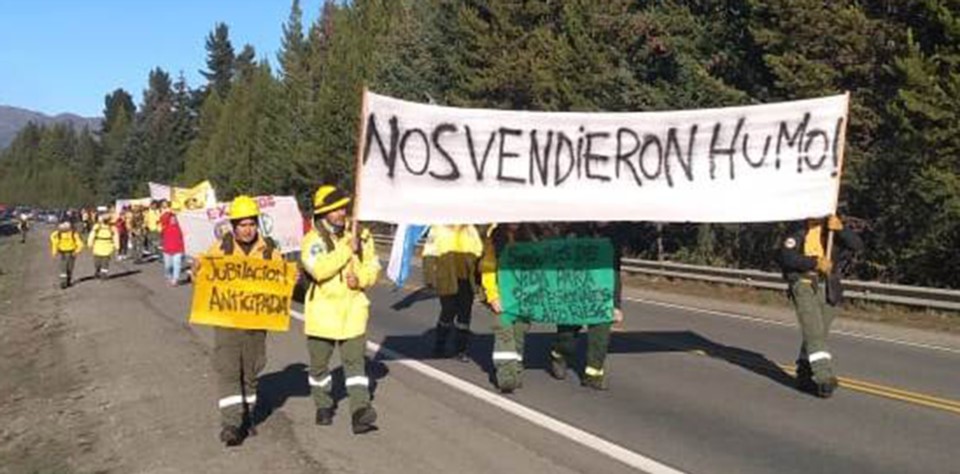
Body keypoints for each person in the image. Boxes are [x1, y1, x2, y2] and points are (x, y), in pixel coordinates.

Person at [197, 195, 282, 447]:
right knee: (228, 369)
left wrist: (291, 277)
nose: (248, 229)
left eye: (252, 224)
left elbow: (280, 284)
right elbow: (204, 280)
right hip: (227, 321)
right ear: (233, 226)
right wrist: (197, 271)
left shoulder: (269, 252)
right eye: (242, 224)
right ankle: (231, 424)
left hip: (256, 323)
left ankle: (248, 414)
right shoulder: (219, 249)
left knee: (252, 371)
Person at [300, 185, 381, 434]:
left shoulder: (361, 234)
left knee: (356, 365)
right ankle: (323, 404)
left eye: (342, 208)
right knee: (319, 367)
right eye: (334, 209)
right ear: (323, 212)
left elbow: (373, 266)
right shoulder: (312, 240)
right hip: (323, 314)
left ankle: (360, 411)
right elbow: (320, 269)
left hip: (353, 311)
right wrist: (347, 249)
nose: (340, 213)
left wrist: (363, 279)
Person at [778, 215, 863, 398]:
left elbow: (857, 245)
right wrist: (815, 262)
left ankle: (804, 375)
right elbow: (787, 257)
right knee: (814, 330)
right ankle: (824, 377)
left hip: (828, 286)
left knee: (818, 333)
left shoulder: (832, 225)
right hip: (803, 282)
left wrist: (841, 229)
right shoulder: (797, 228)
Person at [548, 222, 627, 390]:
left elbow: (615, 272)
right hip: (575, 293)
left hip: (601, 295)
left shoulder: (613, 238)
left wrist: (616, 304)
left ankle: (593, 375)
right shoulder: (572, 233)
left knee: (601, 337)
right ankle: (559, 354)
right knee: (567, 335)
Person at [481, 223, 542, 393]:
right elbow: (488, 269)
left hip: (524, 299)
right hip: (503, 297)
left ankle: (515, 372)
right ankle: (506, 378)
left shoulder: (531, 237)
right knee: (504, 335)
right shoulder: (494, 238)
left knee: (518, 336)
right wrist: (493, 296)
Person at [430, 224, 483, 361]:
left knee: (464, 315)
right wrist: (430, 278)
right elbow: (429, 254)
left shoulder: (470, 229)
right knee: (448, 311)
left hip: (466, 278)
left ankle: (461, 350)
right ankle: (439, 345)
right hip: (447, 277)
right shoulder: (437, 228)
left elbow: (479, 251)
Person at [49, 220, 84, 289]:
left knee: (67, 268)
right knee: (64, 268)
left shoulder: (71, 234)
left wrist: (54, 252)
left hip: (69, 253)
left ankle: (66, 280)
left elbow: (80, 244)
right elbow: (55, 242)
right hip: (66, 253)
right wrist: (54, 252)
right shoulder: (60, 234)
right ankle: (64, 282)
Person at [160, 201, 185, 286]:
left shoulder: (180, 224)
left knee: (177, 264)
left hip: (177, 248)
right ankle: (168, 275)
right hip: (167, 248)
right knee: (168, 266)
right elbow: (164, 218)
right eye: (172, 218)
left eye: (174, 218)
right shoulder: (165, 224)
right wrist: (168, 211)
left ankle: (175, 279)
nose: (173, 220)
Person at [87, 212, 119, 281]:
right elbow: (92, 235)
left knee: (105, 261)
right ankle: (98, 270)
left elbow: (115, 237)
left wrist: (117, 246)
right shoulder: (97, 226)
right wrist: (90, 243)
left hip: (107, 246)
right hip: (98, 245)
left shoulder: (112, 228)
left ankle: (103, 274)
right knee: (97, 262)